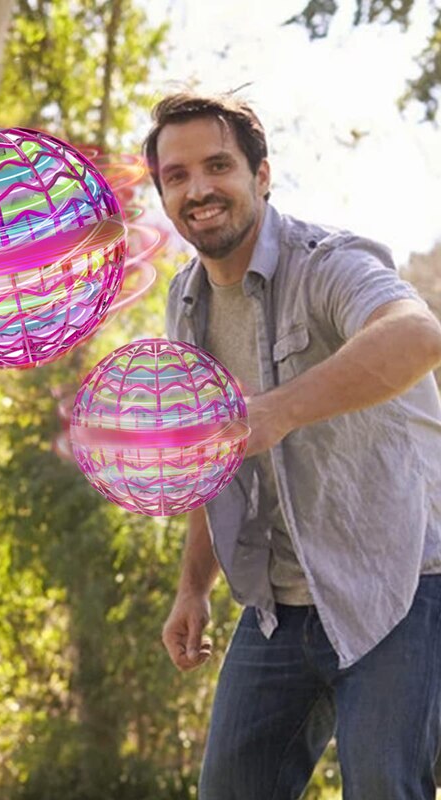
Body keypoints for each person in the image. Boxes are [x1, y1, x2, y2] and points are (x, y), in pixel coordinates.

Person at [144, 90, 441, 799]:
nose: (199, 189)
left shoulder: (328, 263)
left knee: (380, 786)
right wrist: (193, 588)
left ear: (262, 175)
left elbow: (417, 336)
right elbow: (213, 459)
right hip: (279, 606)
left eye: (218, 166)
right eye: (177, 176)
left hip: (404, 584)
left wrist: (274, 412)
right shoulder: (184, 308)